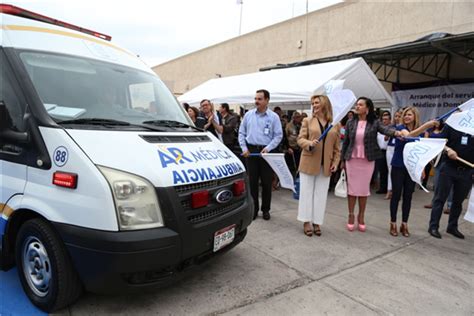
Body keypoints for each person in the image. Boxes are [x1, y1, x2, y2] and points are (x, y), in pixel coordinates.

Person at [341, 97, 405, 232]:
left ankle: (361, 216)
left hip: (367, 160)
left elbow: (385, 130)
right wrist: (342, 160)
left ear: (367, 108)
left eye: (360, 105)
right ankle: (351, 215)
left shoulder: (374, 122)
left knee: (363, 190)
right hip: (352, 159)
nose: (357, 107)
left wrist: (397, 133)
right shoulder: (350, 122)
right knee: (352, 190)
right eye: (356, 105)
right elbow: (345, 142)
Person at [389, 107, 438, 237]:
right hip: (398, 166)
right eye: (405, 114)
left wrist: (421, 168)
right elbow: (409, 136)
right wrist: (427, 125)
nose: (406, 117)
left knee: (408, 196)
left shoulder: (422, 133)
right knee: (396, 195)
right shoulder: (400, 128)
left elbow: (422, 152)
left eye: (409, 115)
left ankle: (404, 224)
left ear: (415, 116)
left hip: (411, 168)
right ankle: (393, 223)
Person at [297, 95, 340, 236]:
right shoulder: (307, 120)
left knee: (321, 195)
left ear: (324, 104)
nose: (314, 105)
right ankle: (306, 221)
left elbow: (337, 148)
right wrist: (309, 143)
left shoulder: (335, 124)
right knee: (306, 193)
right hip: (309, 162)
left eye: (317, 102)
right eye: (313, 103)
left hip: (326, 165)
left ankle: (317, 222)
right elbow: (300, 139)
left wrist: (335, 163)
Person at [239, 89, 283, 220]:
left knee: (266, 183)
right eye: (256, 99)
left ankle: (265, 210)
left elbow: (278, 135)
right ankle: (254, 210)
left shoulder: (274, 117)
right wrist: (244, 148)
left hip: (266, 153)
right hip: (251, 152)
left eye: (259, 99)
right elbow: (241, 133)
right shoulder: (248, 115)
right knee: (252, 183)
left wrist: (268, 148)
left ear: (267, 100)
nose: (256, 101)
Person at [428, 124, 473, 239]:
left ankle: (452, 227)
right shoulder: (453, 125)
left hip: (467, 171)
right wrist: (448, 149)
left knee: (458, 201)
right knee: (440, 198)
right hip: (448, 167)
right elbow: (440, 141)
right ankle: (433, 226)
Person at [385, 109, 402, 200]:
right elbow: (385, 138)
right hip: (390, 148)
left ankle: (396, 191)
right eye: (396, 116)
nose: (397, 118)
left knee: (397, 171)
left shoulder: (404, 127)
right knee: (390, 170)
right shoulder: (391, 126)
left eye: (399, 116)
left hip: (399, 149)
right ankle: (389, 190)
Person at [375, 111, 391, 194]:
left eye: (386, 119)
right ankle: (382, 187)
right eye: (383, 119)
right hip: (379, 151)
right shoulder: (379, 129)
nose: (384, 121)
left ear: (389, 120)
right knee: (381, 170)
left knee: (388, 171)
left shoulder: (390, 130)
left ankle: (388, 188)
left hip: (388, 151)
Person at [285, 111, 303, 176]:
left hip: (300, 148)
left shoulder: (302, 125)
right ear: (294, 118)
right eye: (297, 117)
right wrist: (288, 147)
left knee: (299, 164)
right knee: (292, 166)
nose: (298, 119)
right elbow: (285, 137)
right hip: (291, 148)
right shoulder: (289, 126)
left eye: (299, 117)